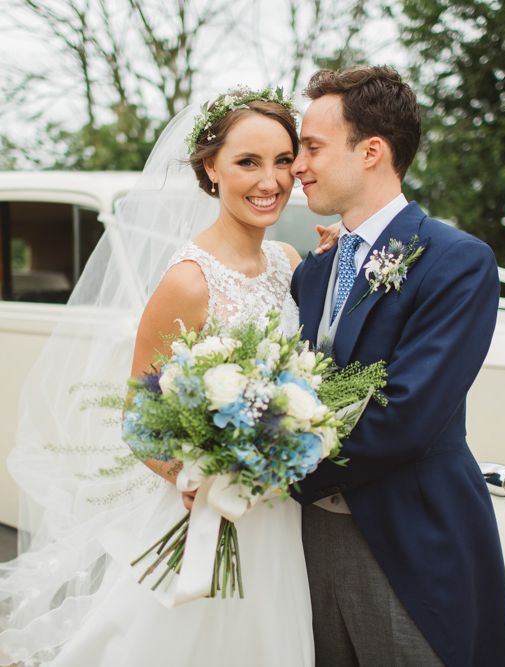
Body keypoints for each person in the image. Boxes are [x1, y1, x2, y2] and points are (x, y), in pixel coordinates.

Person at [0, 88, 337, 666]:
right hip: (205, 511)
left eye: (283, 161)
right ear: (211, 167)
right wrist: (195, 474)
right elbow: (139, 419)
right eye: (248, 162)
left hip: (279, 515)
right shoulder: (188, 280)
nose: (271, 181)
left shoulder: (290, 262)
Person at [290, 66, 505, 666]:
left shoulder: (455, 261)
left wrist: (276, 472)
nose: (297, 166)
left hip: (412, 539)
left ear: (371, 151)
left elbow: (406, 416)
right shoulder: (313, 271)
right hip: (308, 543)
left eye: (312, 148)